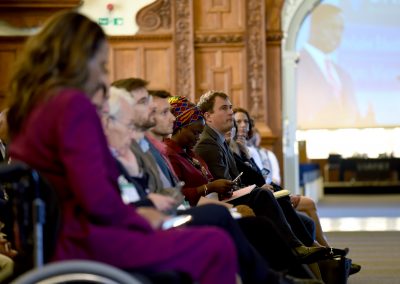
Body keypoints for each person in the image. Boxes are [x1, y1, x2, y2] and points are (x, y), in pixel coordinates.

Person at [6, 11, 239, 283]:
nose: (105, 77)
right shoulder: (72, 106)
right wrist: (143, 220)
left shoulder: (32, 108)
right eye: (103, 66)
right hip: (83, 242)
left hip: (52, 241)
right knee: (215, 244)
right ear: (81, 60)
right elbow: (98, 200)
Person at [106, 82, 323, 283]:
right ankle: (282, 275)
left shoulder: (156, 148)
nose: (170, 118)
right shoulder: (156, 150)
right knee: (237, 218)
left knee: (263, 220)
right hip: (161, 220)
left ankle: (295, 273)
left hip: (173, 211)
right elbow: (144, 198)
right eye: (161, 111)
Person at [296, 3, 373, 129]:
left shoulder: (344, 75)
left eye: (341, 29)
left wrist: (364, 122)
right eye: (332, 27)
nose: (337, 34)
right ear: (314, 27)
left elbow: (352, 115)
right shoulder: (296, 67)